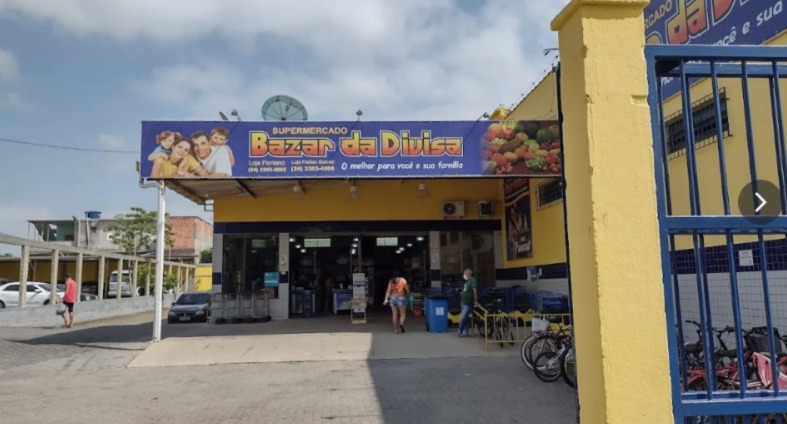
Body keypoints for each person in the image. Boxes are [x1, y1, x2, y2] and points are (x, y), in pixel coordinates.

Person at [457, 268, 479, 337]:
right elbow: (464, 289)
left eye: (465, 273)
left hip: (468, 302)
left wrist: (475, 300)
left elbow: (474, 290)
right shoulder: (466, 281)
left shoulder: (472, 280)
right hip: (463, 301)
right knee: (465, 317)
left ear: (468, 274)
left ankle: (460, 331)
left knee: (463, 317)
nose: (464, 275)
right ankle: (466, 332)